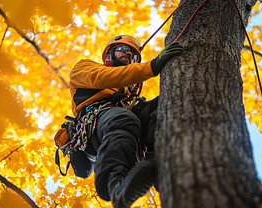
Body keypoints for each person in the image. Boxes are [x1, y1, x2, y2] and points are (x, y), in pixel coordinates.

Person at [68, 35, 182, 208]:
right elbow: (104, 77)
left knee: (164, 103)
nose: (129, 55)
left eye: (134, 56)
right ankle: (114, 184)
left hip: (121, 120)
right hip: (96, 125)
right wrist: (151, 66)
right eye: (124, 50)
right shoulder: (84, 68)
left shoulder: (127, 90)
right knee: (124, 119)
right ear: (108, 55)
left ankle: (154, 161)